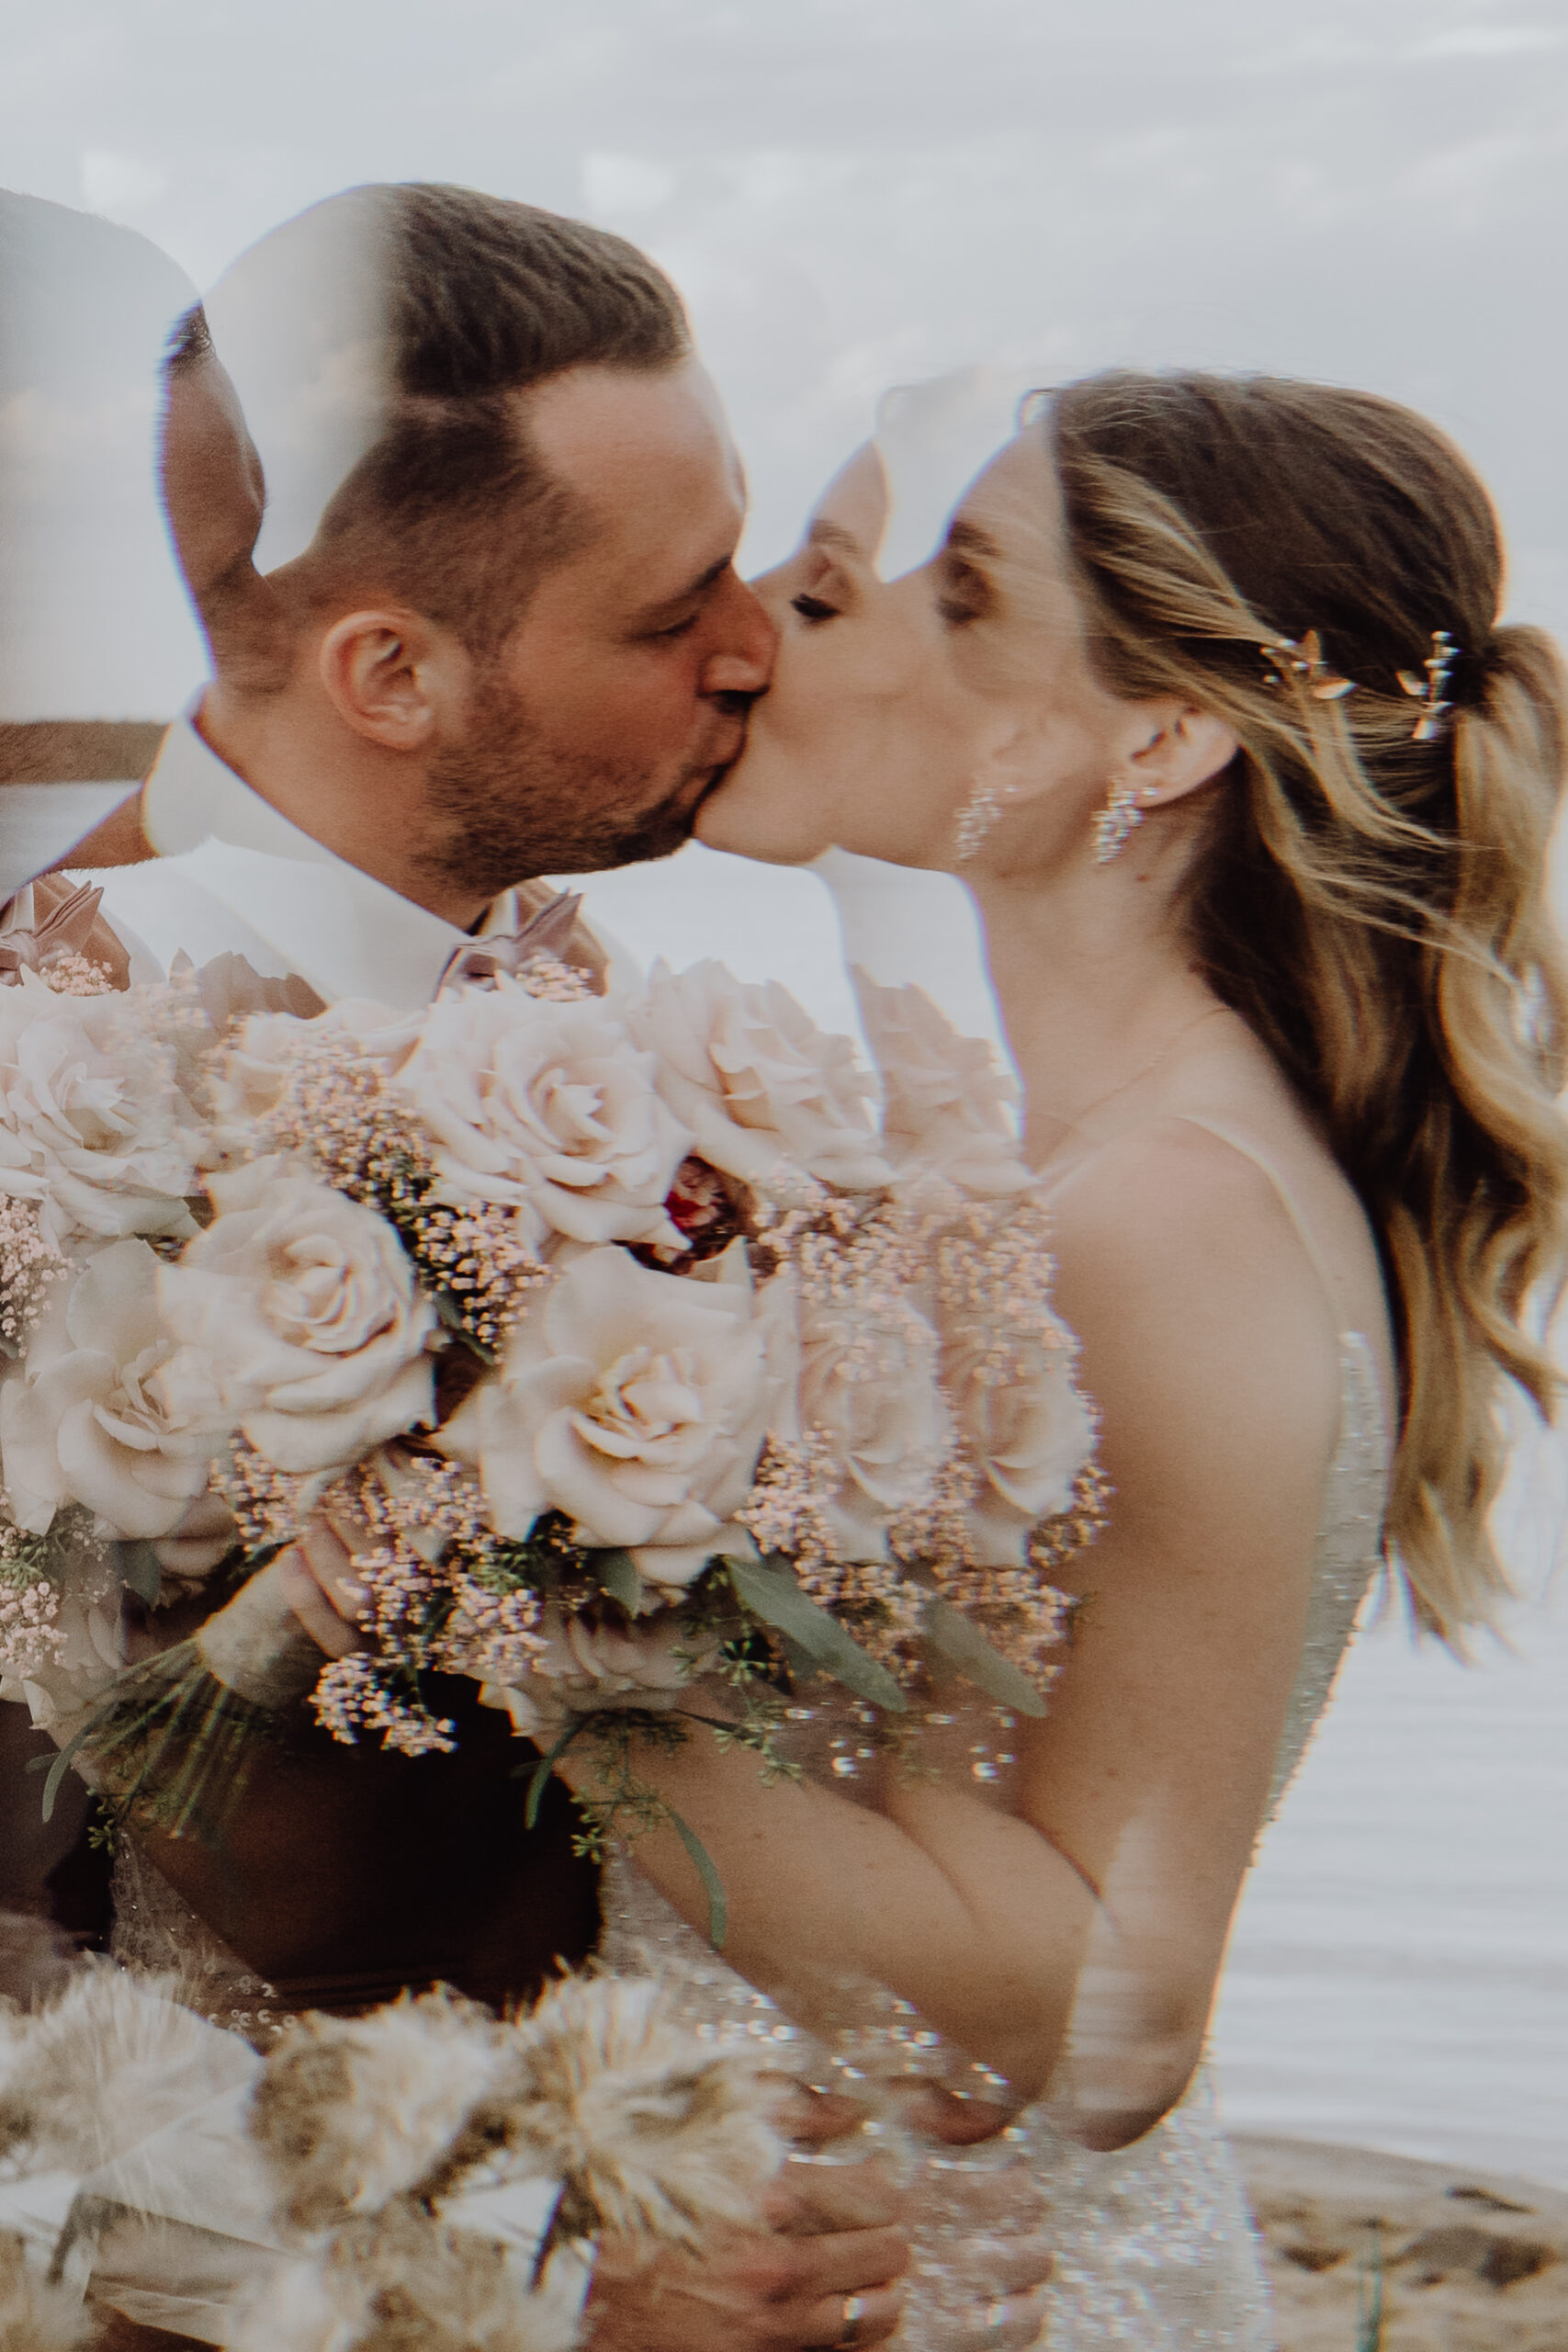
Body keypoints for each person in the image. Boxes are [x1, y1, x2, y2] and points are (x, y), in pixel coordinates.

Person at [304, 367, 1568, 2345]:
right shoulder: (1042, 1173)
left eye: (951, 587)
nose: (808, 621)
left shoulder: (1163, 1219)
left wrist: (526, 1633)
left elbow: (1097, 2009)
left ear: (1150, 736)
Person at [20, 184, 918, 2352]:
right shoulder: (55, 1105)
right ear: (390, 671)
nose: (749, 644)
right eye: (663, 607)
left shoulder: (565, 995)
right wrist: (510, 2318)